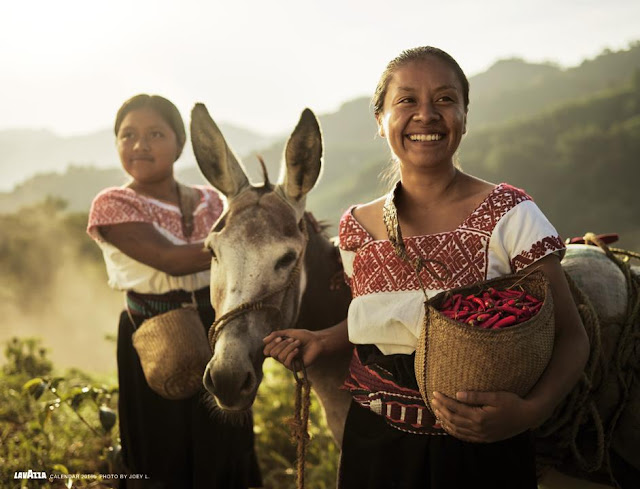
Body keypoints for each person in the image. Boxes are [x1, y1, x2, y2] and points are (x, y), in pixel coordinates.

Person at [263, 47, 590, 488]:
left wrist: (528, 414)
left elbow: (571, 336)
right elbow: (385, 319)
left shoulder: (510, 214)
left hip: (481, 449)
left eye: (444, 100)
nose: (426, 115)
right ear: (380, 121)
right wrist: (325, 339)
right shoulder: (357, 227)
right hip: (374, 445)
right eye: (406, 101)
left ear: (464, 117)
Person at [87, 94, 262, 488]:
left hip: (219, 329)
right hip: (157, 332)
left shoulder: (210, 200)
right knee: (162, 450)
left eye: (154, 134)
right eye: (127, 135)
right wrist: (242, 245)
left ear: (180, 144)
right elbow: (170, 259)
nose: (139, 145)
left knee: (225, 444)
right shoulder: (114, 204)